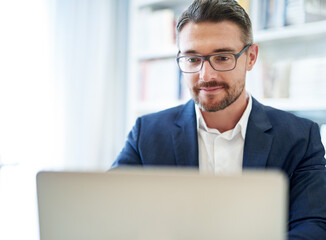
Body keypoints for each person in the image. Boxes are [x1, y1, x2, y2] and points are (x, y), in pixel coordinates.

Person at [112, 0, 326, 239]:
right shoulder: (147, 134)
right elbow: (107, 213)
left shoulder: (300, 137)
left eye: (223, 57)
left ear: (251, 57)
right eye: (193, 59)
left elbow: (312, 226)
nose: (206, 76)